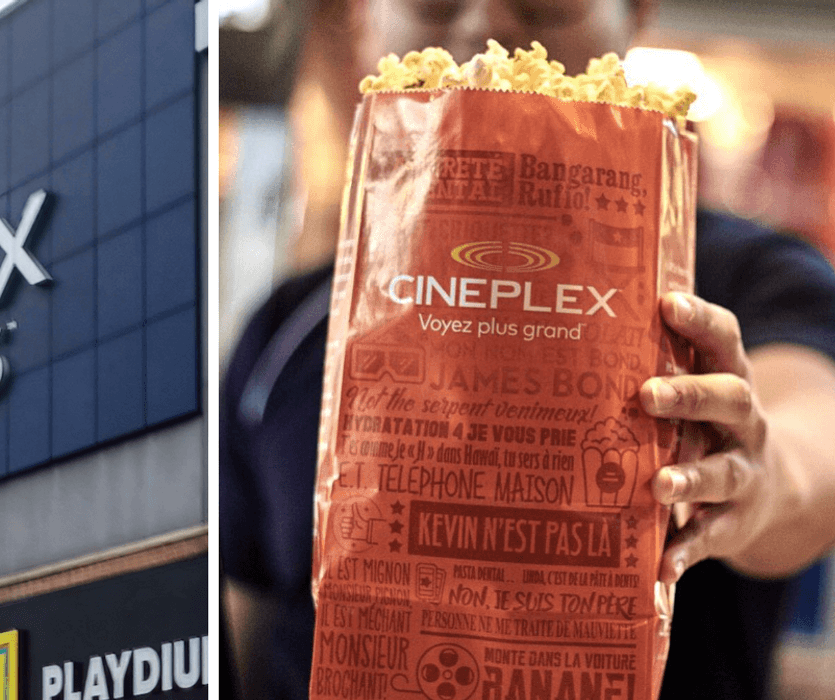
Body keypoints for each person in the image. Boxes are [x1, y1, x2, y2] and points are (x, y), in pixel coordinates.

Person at [220, 1, 835, 699]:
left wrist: (758, 478)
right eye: (433, 2)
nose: (486, 28)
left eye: (545, 2)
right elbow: (243, 621)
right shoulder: (286, 330)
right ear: (366, 24)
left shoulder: (743, 278)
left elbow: (812, 448)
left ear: (633, 18)